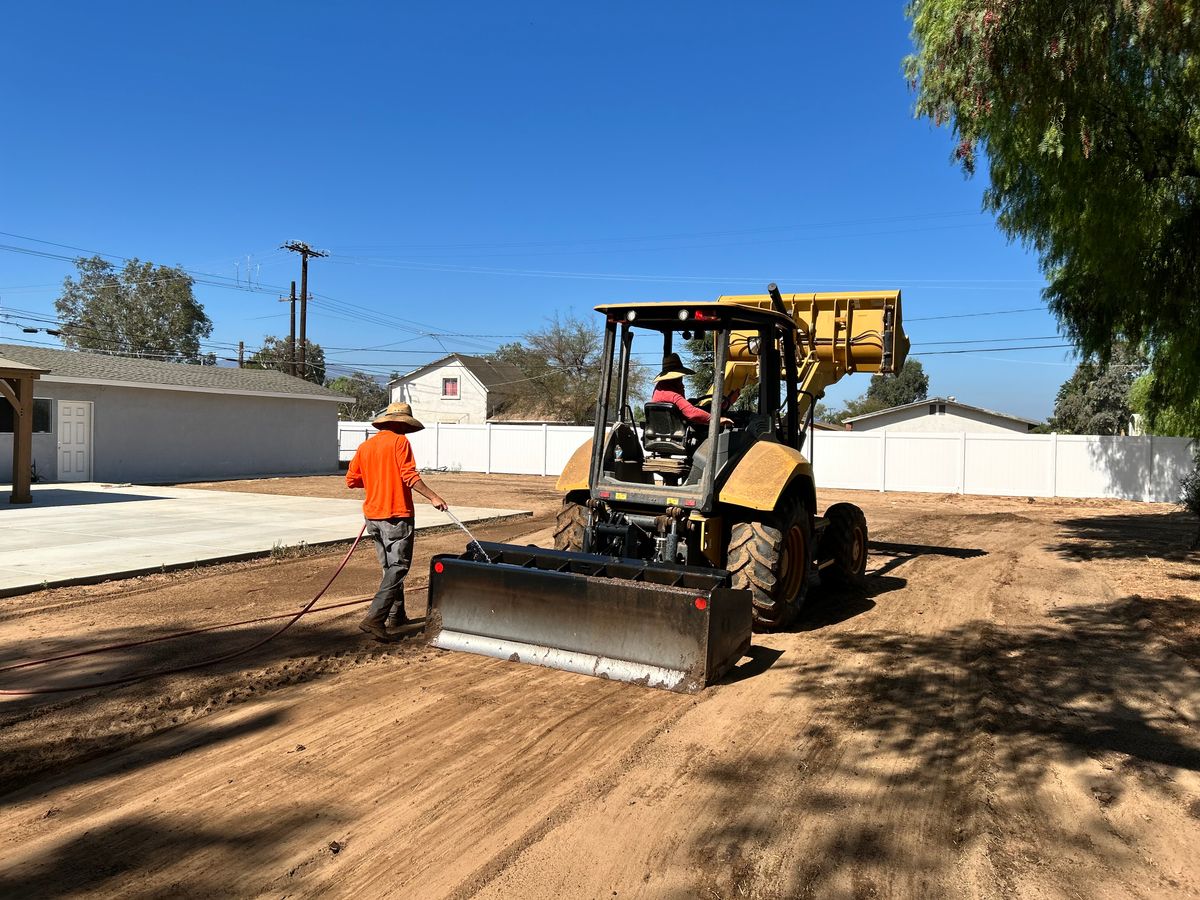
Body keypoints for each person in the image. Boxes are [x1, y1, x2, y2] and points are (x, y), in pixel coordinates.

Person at [346, 402, 447, 641]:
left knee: (389, 568)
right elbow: (409, 476)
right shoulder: (400, 442)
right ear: (402, 424)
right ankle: (374, 618)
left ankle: (396, 615)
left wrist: (377, 480)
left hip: (372, 517)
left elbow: (351, 480)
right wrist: (433, 497)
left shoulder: (366, 446)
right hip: (396, 516)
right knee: (399, 567)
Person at [650, 352, 733, 429]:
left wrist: (687, 403)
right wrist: (716, 420)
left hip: (667, 428)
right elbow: (692, 413)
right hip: (677, 430)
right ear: (673, 379)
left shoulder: (660, 389)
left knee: (705, 409)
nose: (681, 380)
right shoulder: (672, 394)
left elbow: (677, 407)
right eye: (679, 377)